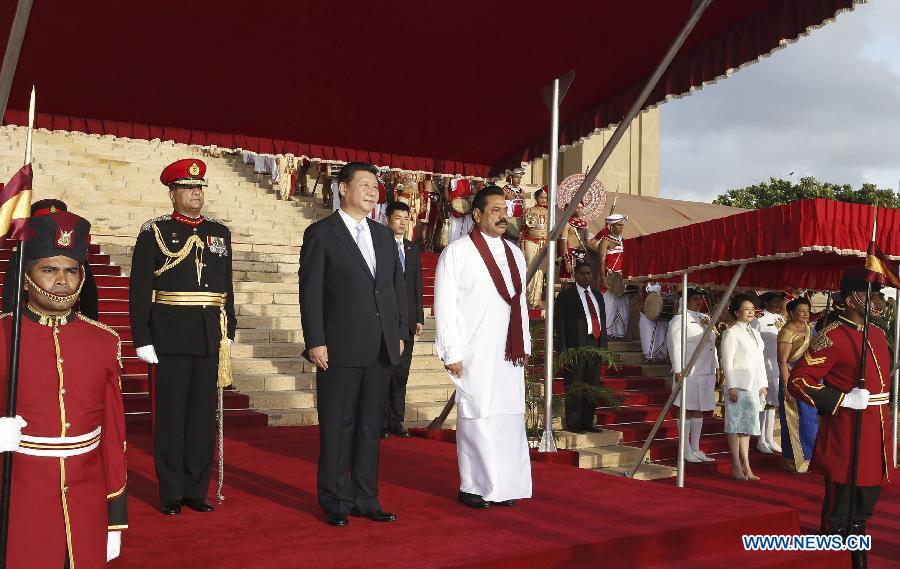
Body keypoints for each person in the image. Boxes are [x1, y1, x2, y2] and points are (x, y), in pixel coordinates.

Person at [0, 210, 127, 568]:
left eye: (71, 271)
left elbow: (114, 436)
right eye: (49, 269)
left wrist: (115, 517)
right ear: (26, 279)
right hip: (20, 495)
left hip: (87, 500)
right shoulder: (3, 334)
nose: (61, 281)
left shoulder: (104, 341)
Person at [299, 161, 408, 527]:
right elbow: (310, 292)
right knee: (338, 426)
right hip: (339, 347)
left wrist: (399, 333)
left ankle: (366, 497)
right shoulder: (321, 234)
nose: (372, 191)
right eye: (364, 184)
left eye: (375, 186)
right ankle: (335, 499)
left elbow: (394, 288)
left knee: (369, 427)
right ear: (342, 189)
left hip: (380, 347)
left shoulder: (383, 235)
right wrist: (316, 340)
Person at [129, 158, 236, 515]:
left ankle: (196, 489)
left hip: (209, 335)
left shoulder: (219, 232)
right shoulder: (155, 231)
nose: (195, 193)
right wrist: (142, 338)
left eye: (199, 188)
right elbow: (139, 288)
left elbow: (226, 286)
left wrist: (229, 330)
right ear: (172, 193)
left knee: (202, 418)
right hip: (170, 336)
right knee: (172, 417)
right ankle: (171, 492)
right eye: (188, 188)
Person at [434, 185, 532, 509]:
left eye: (505, 210)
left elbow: (520, 305)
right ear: (477, 215)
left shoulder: (516, 254)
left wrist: (525, 344)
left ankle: (503, 486)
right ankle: (474, 485)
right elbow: (444, 305)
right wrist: (451, 352)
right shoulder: (457, 253)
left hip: (509, 352)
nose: (503, 216)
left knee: (508, 416)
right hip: (474, 350)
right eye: (495, 210)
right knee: (478, 416)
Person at [788, 268, 892, 569]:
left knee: (865, 503)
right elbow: (799, 381)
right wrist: (841, 399)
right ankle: (831, 556)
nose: (876, 301)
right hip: (849, 431)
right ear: (849, 300)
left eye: (878, 295)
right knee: (840, 506)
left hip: (877, 430)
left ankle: (856, 551)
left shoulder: (878, 333)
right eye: (868, 295)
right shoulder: (832, 337)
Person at [2, 199, 99, 319]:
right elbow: (11, 290)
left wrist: (90, 321)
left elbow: (88, 292)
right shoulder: (23, 252)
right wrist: (11, 319)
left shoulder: (75, 255)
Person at [381, 201, 424, 439]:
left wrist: (418, 317)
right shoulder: (379, 245)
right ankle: (380, 422)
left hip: (406, 321)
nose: (402, 222)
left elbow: (417, 285)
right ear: (388, 219)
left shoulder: (412, 249)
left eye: (406, 218)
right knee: (383, 372)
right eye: (398, 218)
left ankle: (396, 421)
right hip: (385, 320)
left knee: (401, 374)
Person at [553, 262, 607, 433]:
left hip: (595, 345)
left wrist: (603, 347)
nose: (586, 276)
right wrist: (562, 350)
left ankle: (587, 421)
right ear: (575, 275)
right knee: (575, 385)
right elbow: (559, 324)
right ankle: (574, 422)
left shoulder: (598, 296)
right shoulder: (566, 296)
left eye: (589, 273)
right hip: (575, 346)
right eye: (583, 273)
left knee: (591, 385)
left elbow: (602, 321)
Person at [667, 288, 718, 462]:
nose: (699, 301)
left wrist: (716, 366)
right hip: (689, 371)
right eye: (695, 298)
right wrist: (677, 369)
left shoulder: (704, 318)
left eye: (700, 298)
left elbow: (712, 344)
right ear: (686, 300)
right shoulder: (679, 319)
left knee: (699, 409)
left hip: (705, 371)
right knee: (687, 408)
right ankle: (685, 449)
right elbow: (674, 344)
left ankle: (695, 448)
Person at [720, 294, 768, 481]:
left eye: (752, 309)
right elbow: (727, 361)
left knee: (746, 427)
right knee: (735, 425)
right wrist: (731, 385)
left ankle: (747, 466)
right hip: (738, 384)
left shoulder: (755, 333)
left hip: (753, 384)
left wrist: (763, 384)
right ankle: (735, 465)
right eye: (746, 309)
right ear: (736, 312)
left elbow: (760, 360)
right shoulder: (731, 333)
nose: (750, 312)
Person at [777, 296, 817, 473]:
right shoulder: (786, 332)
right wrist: (787, 386)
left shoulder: (810, 329)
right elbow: (782, 361)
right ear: (792, 313)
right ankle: (792, 459)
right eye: (801, 311)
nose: (805, 314)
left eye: (807, 311)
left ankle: (810, 458)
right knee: (792, 420)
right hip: (791, 379)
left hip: (808, 380)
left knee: (809, 420)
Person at [751, 291, 786, 454]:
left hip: (777, 367)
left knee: (772, 404)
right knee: (764, 403)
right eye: (775, 302)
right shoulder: (758, 319)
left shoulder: (780, 319)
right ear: (765, 303)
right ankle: (760, 440)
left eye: (780, 302)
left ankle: (770, 438)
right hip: (764, 366)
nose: (778, 305)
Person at [595, 213, 629, 339]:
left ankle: (619, 333)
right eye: (618, 225)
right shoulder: (605, 241)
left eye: (622, 225)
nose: (621, 228)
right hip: (610, 278)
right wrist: (604, 278)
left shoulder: (624, 241)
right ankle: (607, 333)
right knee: (608, 306)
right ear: (611, 226)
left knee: (622, 307)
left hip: (621, 280)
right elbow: (601, 261)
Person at [520, 187, 549, 308]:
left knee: (540, 271)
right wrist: (522, 248)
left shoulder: (549, 212)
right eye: (541, 197)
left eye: (545, 198)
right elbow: (523, 231)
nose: (543, 200)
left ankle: (536, 300)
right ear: (536, 198)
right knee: (531, 268)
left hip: (544, 243)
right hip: (531, 242)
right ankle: (529, 300)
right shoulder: (530, 211)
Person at [639, 283, 669, 363]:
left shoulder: (665, 283)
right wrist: (644, 307)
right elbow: (641, 294)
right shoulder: (645, 283)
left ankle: (660, 356)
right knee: (648, 334)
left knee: (661, 333)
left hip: (661, 313)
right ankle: (649, 357)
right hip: (647, 313)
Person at [558, 206, 589, 281]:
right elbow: (563, 243)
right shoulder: (567, 223)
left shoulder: (585, 224)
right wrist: (567, 262)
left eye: (581, 208)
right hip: (570, 255)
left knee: (583, 280)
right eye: (577, 207)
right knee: (569, 282)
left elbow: (588, 242)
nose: (579, 210)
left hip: (582, 255)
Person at [446, 177, 474, 244]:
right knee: (453, 231)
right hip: (455, 208)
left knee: (465, 232)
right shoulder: (452, 178)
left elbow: (472, 193)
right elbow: (446, 191)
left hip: (466, 208)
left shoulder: (469, 179)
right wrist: (450, 203)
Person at [502, 167, 526, 246]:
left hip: (519, 220)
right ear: (511, 177)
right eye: (516, 177)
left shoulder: (521, 191)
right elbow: (501, 204)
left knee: (518, 243)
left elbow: (524, 205)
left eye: (520, 178)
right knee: (509, 243)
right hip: (509, 220)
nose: (519, 180)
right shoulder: (505, 190)